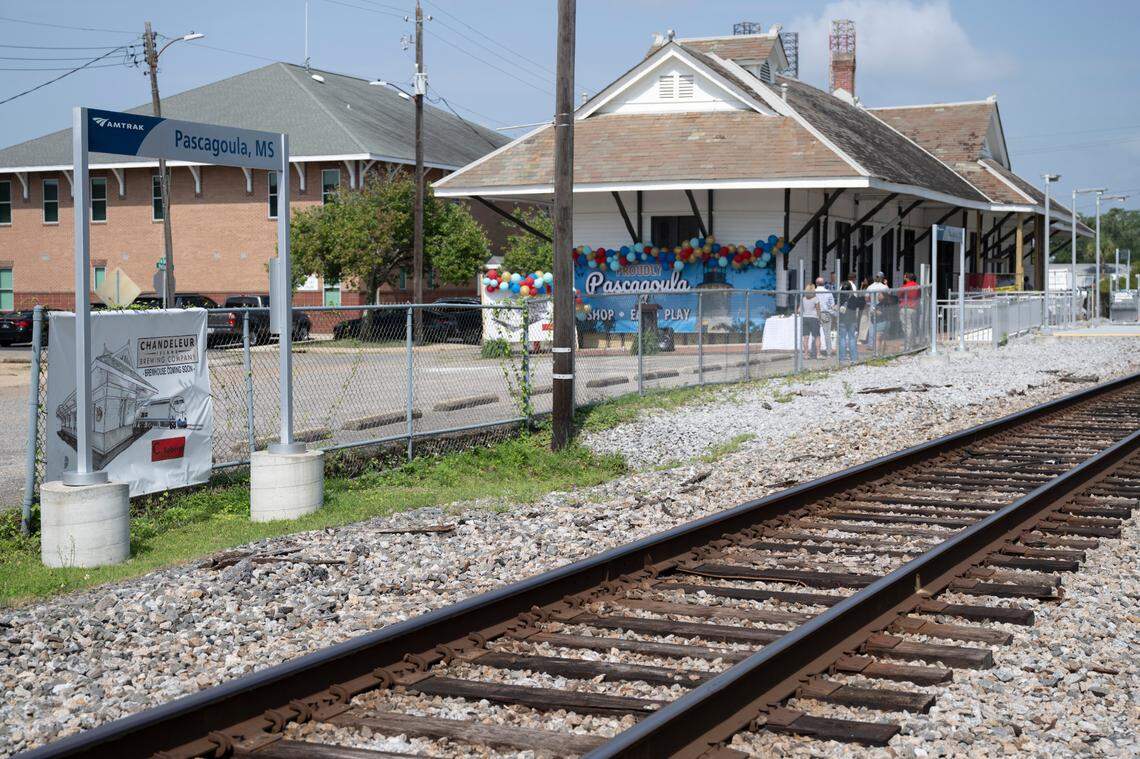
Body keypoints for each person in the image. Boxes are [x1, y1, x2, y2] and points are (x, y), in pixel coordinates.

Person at [837, 277, 864, 365]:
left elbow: (836, 307)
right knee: (852, 338)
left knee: (842, 339)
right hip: (852, 320)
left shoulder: (839, 298)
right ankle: (854, 358)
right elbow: (861, 305)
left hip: (842, 320)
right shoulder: (853, 298)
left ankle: (842, 359)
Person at [866, 272, 890, 355]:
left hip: (873, 308)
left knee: (872, 327)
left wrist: (871, 303)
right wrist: (886, 284)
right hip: (882, 309)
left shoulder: (870, 287)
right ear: (882, 278)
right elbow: (888, 295)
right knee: (880, 333)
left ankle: (871, 344)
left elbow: (866, 298)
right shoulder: (884, 287)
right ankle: (879, 351)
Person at [814, 276, 836, 358]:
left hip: (815, 314)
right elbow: (832, 304)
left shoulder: (813, 292)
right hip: (826, 314)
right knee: (827, 334)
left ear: (816, 283)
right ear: (824, 284)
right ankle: (829, 353)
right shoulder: (828, 292)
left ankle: (816, 352)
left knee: (815, 334)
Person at [799, 283, 822, 359]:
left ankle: (806, 354)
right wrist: (819, 318)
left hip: (805, 318)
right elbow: (818, 310)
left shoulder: (803, 298)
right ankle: (818, 354)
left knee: (805, 338)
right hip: (814, 318)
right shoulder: (815, 298)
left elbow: (799, 310)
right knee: (817, 337)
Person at [899, 272, 920, 349]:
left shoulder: (905, 286)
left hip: (905, 308)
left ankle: (908, 345)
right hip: (914, 308)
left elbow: (899, 295)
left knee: (907, 327)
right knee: (913, 326)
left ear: (908, 278)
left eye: (905, 277)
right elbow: (918, 296)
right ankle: (913, 342)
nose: (904, 279)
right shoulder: (917, 286)